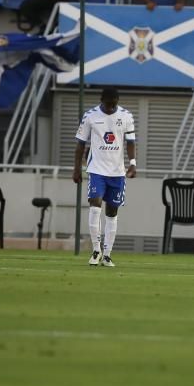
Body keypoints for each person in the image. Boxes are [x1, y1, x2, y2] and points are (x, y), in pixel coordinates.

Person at [72, 87, 138, 268]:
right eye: (107, 104)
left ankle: (107, 254)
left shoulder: (126, 116)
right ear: (101, 100)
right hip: (96, 170)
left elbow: (131, 142)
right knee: (95, 204)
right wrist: (76, 169)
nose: (110, 107)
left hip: (117, 172)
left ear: (117, 101)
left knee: (112, 212)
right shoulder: (90, 116)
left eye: (113, 104)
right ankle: (96, 250)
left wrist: (133, 163)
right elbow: (80, 145)